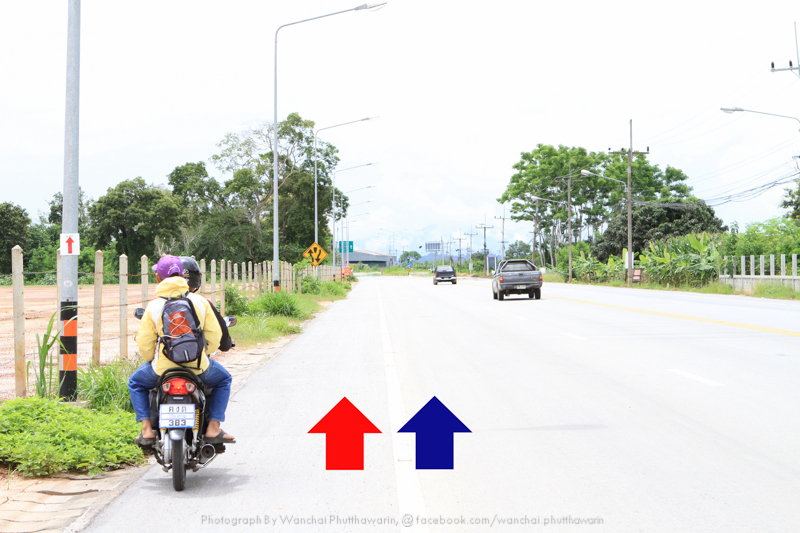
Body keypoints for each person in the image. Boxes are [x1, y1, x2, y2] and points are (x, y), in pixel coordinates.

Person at [128, 255, 236, 446]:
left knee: (135, 382)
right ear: (182, 276)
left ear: (158, 278)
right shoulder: (200, 302)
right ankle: (213, 428)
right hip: (198, 367)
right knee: (223, 379)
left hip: (162, 369)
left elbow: (145, 344)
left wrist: (152, 359)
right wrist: (204, 353)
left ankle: (147, 430)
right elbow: (214, 337)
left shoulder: (153, 306)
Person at [179, 256, 232, 352]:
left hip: (162, 359)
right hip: (197, 359)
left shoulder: (156, 304)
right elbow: (221, 340)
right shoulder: (202, 302)